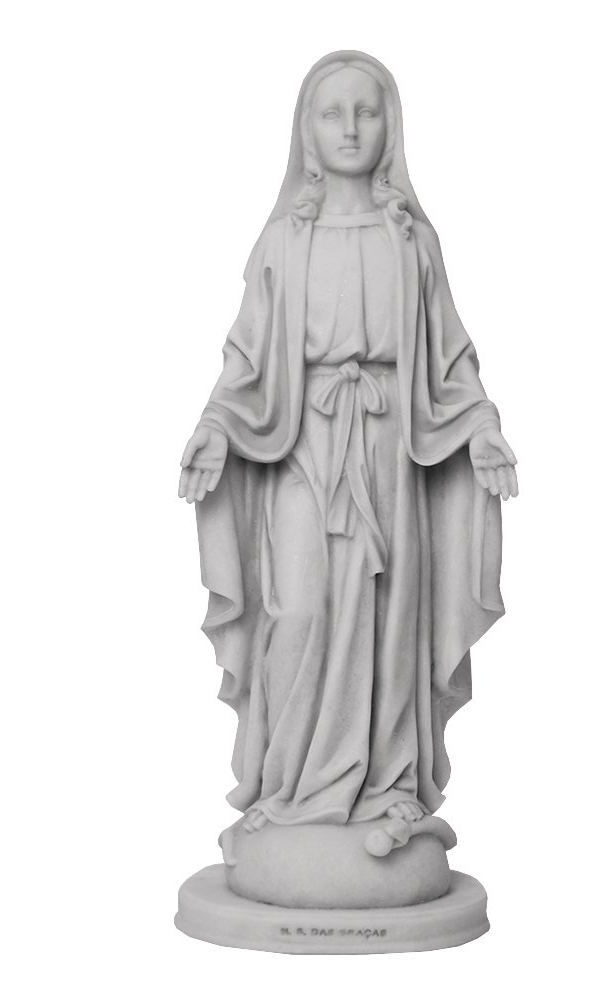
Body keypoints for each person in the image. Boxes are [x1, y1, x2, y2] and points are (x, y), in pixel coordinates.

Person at [178, 51, 518, 838]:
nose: (351, 129)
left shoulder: (412, 242)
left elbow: (451, 357)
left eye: (366, 112)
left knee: (387, 618)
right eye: (333, 114)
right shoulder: (282, 244)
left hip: (390, 451)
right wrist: (216, 428)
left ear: (389, 125)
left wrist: (481, 427)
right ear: (308, 131)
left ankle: (388, 785)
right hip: (302, 446)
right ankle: (289, 787)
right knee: (297, 610)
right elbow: (246, 359)